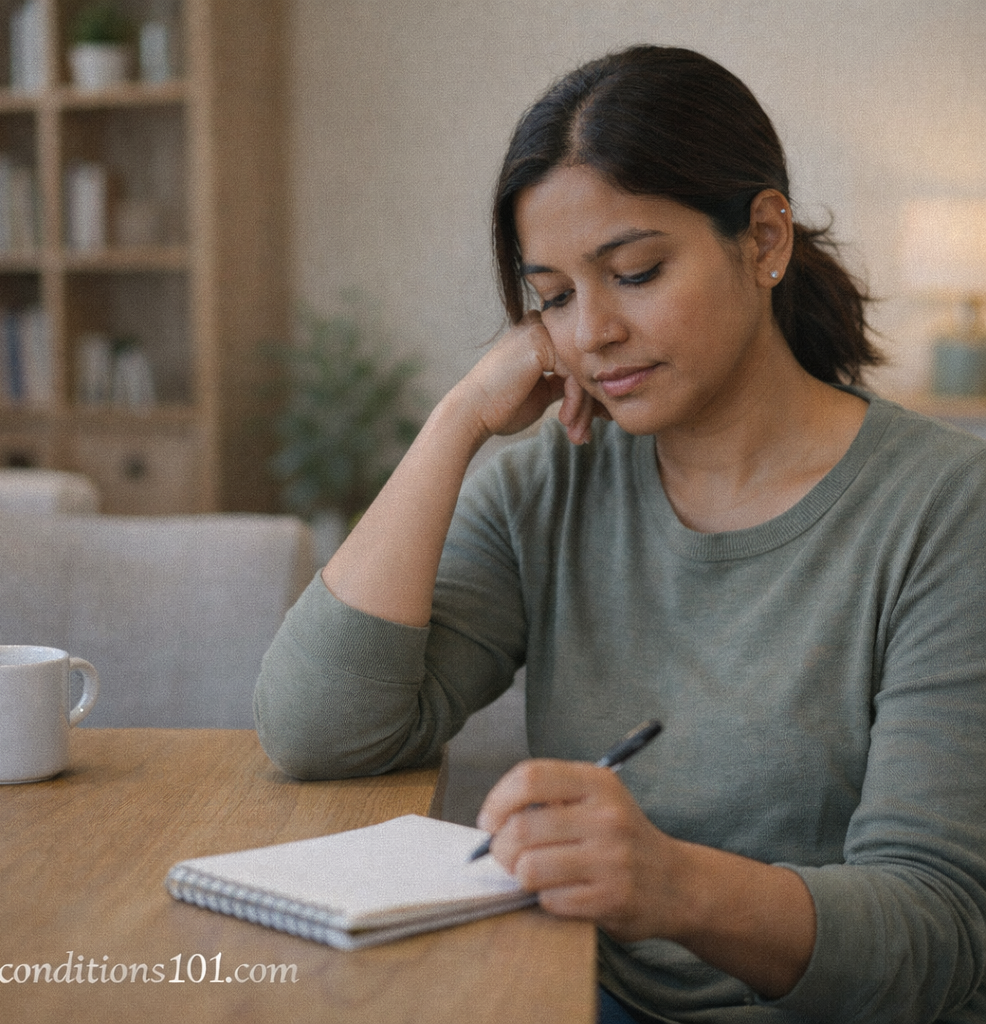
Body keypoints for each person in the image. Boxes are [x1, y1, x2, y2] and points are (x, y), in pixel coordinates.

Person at [254, 45, 986, 1023]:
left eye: (634, 272)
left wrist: (671, 883)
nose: (589, 332)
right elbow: (318, 731)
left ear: (764, 239)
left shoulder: (946, 508)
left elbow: (937, 933)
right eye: (552, 295)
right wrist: (459, 418)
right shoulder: (550, 483)